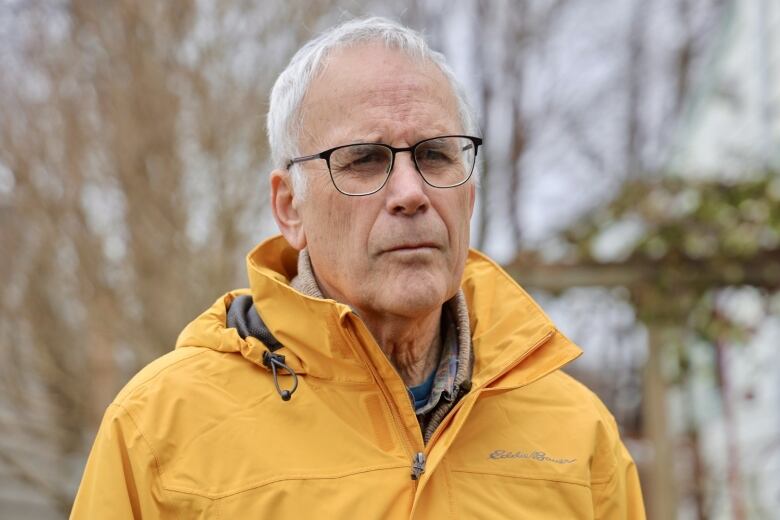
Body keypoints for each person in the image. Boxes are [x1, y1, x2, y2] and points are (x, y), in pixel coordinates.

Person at [71, 17, 645, 519]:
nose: (410, 193)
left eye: (435, 154)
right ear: (289, 208)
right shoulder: (161, 429)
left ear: (469, 195)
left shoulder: (577, 438)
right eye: (365, 160)